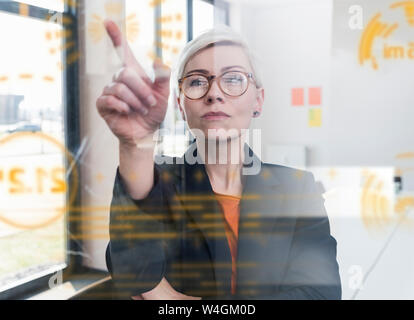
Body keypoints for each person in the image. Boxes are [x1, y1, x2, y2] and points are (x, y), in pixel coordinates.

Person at [97, 19, 342, 300]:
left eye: (233, 78)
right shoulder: (158, 182)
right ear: (180, 103)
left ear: (258, 100)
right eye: (198, 81)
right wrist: (134, 144)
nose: (214, 93)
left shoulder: (298, 189)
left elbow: (321, 294)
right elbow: (132, 266)